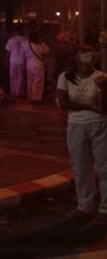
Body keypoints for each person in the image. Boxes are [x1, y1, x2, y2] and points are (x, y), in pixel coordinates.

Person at [56, 51, 107, 224]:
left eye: (91, 57)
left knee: (104, 166)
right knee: (80, 166)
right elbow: (63, 102)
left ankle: (105, 208)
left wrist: (102, 88)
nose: (89, 60)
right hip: (76, 125)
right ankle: (85, 206)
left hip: (100, 125)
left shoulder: (101, 77)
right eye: (85, 56)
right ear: (77, 59)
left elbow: (103, 107)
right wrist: (89, 107)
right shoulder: (65, 77)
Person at [5, 26, 29, 98]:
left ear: (15, 32)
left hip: (13, 60)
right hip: (22, 60)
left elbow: (8, 51)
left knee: (13, 76)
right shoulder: (25, 40)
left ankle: (13, 92)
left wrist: (6, 60)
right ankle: (19, 93)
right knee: (21, 77)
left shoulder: (11, 39)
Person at [27, 31, 48, 103]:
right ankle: (36, 98)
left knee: (30, 81)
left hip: (29, 64)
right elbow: (47, 50)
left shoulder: (26, 44)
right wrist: (42, 42)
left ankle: (30, 97)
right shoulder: (39, 46)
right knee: (38, 82)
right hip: (37, 64)